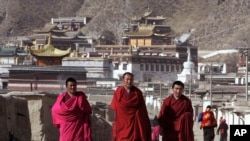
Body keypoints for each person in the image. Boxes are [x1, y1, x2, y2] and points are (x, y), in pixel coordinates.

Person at [110, 72, 151, 141]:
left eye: (131, 80)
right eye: (127, 79)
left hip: (134, 125)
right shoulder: (118, 92)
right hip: (121, 124)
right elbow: (115, 108)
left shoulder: (137, 93)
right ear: (123, 80)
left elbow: (143, 111)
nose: (129, 81)